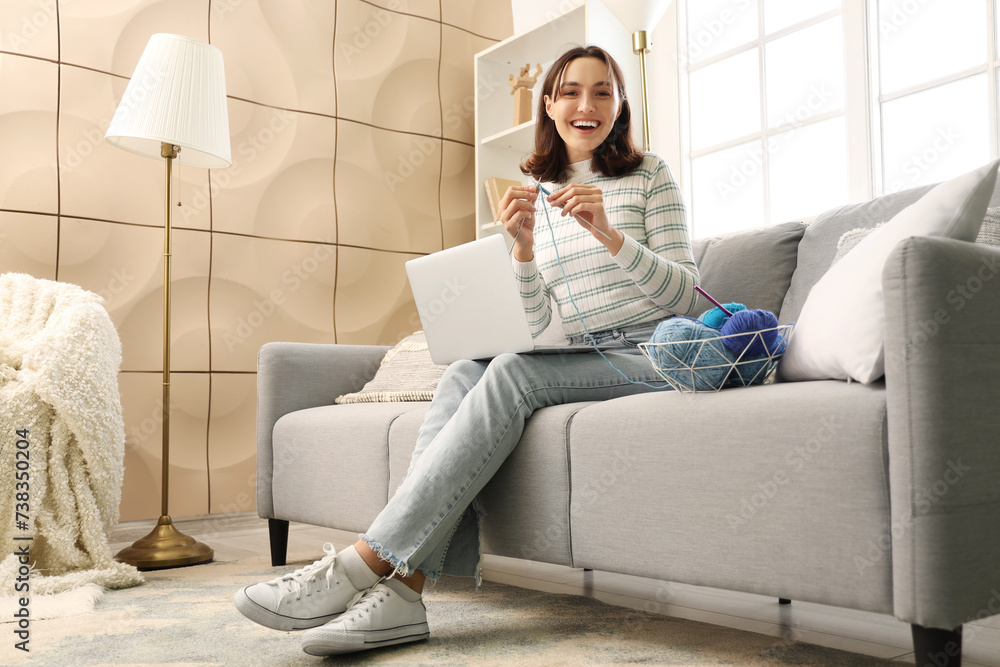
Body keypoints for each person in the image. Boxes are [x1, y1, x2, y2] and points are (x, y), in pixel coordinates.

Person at [233, 44, 700, 657]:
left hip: (647, 354)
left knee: (511, 374)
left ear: (620, 104)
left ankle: (363, 563)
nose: (586, 105)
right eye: (569, 91)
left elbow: (685, 298)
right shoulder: (538, 187)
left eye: (602, 91)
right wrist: (524, 250)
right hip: (573, 353)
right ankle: (404, 594)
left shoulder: (649, 175)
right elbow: (539, 320)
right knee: (464, 370)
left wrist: (610, 235)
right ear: (549, 106)